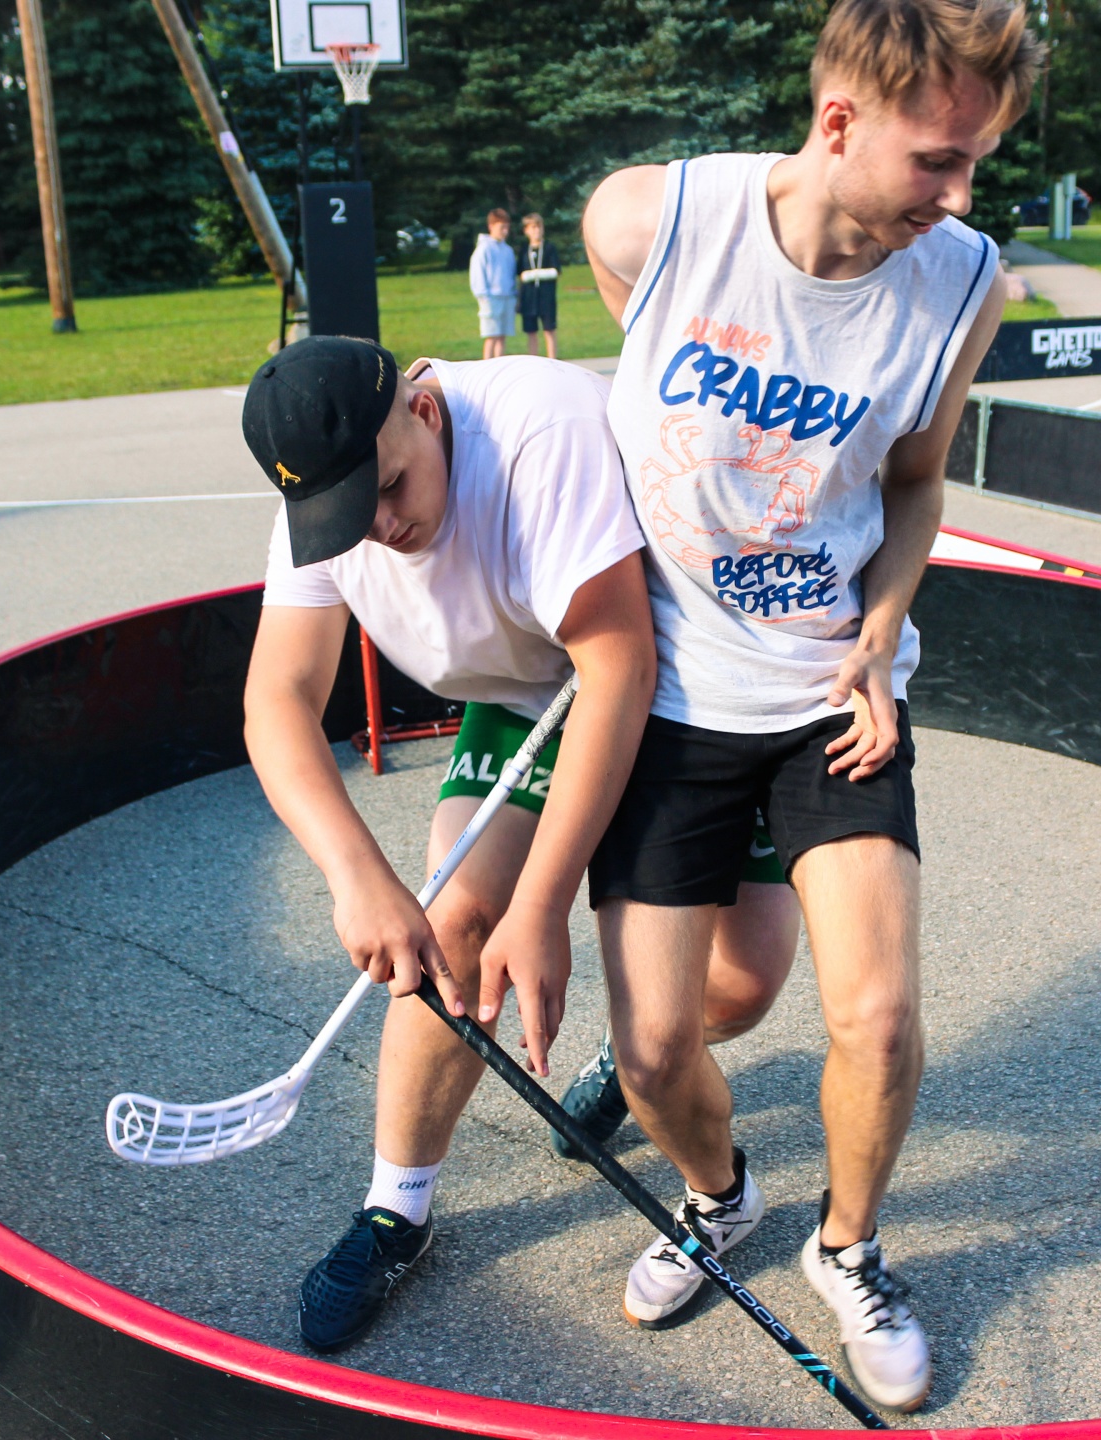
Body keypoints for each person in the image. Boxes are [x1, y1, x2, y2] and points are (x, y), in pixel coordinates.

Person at [577, 0, 1035, 1411]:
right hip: (672, 696)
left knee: (878, 1017)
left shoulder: (965, 283)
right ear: (839, 122)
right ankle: (721, 1199)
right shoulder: (651, 222)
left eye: (976, 163)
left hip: (836, 690)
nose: (962, 197)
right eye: (938, 161)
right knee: (657, 1048)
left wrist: (885, 624)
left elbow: (915, 483)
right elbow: (634, 406)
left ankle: (850, 1248)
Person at [241, 338, 792, 1354]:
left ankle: (633, 1065)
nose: (380, 527)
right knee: (451, 923)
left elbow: (620, 666)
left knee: (741, 985)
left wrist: (543, 906)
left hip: (679, 692)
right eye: (348, 515)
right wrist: (356, 876)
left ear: (424, 410)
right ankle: (396, 1211)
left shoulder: (538, 427)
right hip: (534, 694)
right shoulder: (328, 502)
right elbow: (276, 698)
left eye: (389, 489)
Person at [468, 209, 517, 360]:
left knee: (502, 336)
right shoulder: (484, 249)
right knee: (491, 336)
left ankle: (499, 365)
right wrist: (483, 297)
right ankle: (488, 366)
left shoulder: (508, 250)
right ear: (491, 226)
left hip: (507, 297)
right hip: (490, 298)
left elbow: (511, 274)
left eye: (507, 227)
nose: (505, 231)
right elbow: (477, 275)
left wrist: (513, 294)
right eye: (502, 227)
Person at [517, 213, 560, 360]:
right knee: (531, 331)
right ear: (526, 230)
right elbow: (520, 273)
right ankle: (534, 361)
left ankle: (553, 361)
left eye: (539, 227)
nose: (537, 230)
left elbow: (556, 271)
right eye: (533, 227)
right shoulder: (524, 250)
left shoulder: (549, 248)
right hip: (529, 297)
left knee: (549, 330)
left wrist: (536, 274)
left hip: (546, 296)